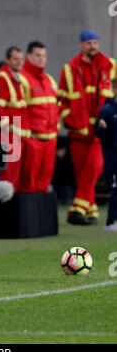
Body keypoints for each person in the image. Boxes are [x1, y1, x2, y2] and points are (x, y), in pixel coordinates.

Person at [59, 30, 117, 225]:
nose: (92, 46)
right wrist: (69, 119)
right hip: (78, 131)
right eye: (88, 42)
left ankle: (76, 208)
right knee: (83, 173)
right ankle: (91, 211)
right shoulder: (69, 69)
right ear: (81, 44)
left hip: (102, 131)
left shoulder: (110, 66)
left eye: (95, 42)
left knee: (95, 167)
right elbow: (62, 100)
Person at [0, 46, 30, 192]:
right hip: (2, 135)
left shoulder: (17, 79)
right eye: (15, 59)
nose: (19, 62)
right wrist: (9, 128)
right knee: (3, 176)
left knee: (13, 177)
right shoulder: (2, 78)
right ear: (8, 60)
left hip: (13, 135)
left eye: (21, 59)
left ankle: (9, 211)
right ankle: (0, 212)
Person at [19, 41, 59, 192]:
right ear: (28, 56)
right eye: (37, 55)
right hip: (33, 139)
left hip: (50, 140)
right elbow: (22, 110)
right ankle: (28, 215)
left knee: (45, 181)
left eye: (44, 56)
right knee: (28, 181)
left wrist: (55, 131)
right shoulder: (22, 78)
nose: (41, 59)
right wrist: (28, 136)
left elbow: (57, 108)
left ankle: (40, 215)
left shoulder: (49, 80)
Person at [95, 77, 117, 231]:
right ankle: (110, 222)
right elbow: (98, 133)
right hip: (114, 159)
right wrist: (101, 128)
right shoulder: (107, 110)